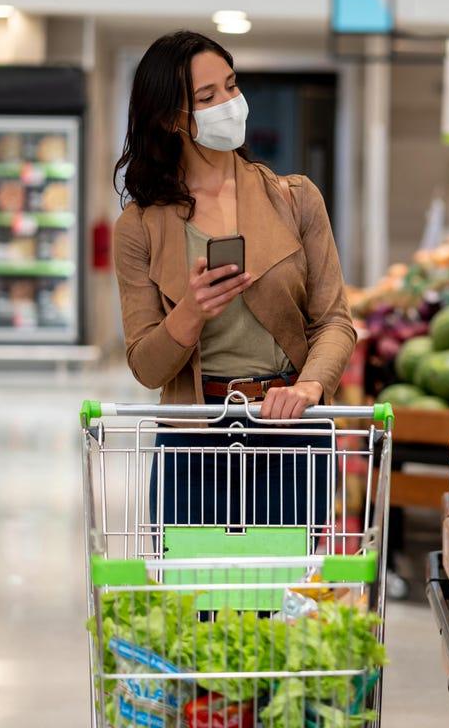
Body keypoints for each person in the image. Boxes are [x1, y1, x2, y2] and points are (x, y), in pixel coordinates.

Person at [112, 30, 355, 534]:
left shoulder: (295, 198)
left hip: (289, 430)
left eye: (231, 86)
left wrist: (311, 385)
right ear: (167, 118)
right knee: (197, 603)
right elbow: (146, 366)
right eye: (206, 97)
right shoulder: (139, 228)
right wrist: (190, 312)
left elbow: (334, 321)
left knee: (289, 601)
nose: (229, 104)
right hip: (192, 441)